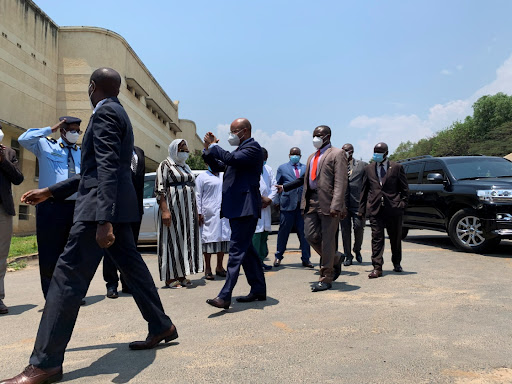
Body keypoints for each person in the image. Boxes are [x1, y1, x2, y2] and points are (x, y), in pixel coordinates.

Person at [3, 68, 176, 384]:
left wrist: (103, 219)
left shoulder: (105, 114)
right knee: (133, 269)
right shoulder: (117, 111)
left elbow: (107, 168)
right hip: (114, 208)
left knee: (66, 280)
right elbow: (96, 171)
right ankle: (161, 324)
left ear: (92, 86)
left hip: (99, 210)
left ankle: (45, 363)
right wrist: (52, 191)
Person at [202, 118, 266, 309]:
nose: (230, 135)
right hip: (238, 208)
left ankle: (225, 295)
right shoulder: (239, 151)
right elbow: (219, 166)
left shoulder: (253, 148)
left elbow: (230, 159)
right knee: (247, 252)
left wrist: (215, 147)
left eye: (233, 131)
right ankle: (258, 290)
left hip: (245, 208)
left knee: (236, 252)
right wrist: (208, 150)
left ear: (244, 131)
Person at [18, 116, 82, 300]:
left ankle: (71, 292)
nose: (75, 134)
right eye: (71, 129)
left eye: (78, 130)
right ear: (62, 130)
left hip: (75, 207)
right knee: (49, 252)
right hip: (50, 206)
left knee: (72, 253)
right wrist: (50, 129)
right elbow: (23, 139)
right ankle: (51, 296)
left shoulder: (81, 152)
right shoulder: (46, 145)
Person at [301, 125, 347, 292]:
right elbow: (306, 182)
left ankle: (326, 277)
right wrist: (303, 204)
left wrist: (337, 204)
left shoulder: (337, 153)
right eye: (314, 135)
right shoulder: (312, 157)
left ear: (328, 136)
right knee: (309, 235)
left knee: (328, 240)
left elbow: (341, 181)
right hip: (311, 201)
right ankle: (335, 258)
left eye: (319, 135)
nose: (315, 138)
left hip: (328, 203)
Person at [155, 139, 202, 289]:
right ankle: (169, 277)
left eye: (186, 150)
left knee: (185, 241)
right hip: (172, 209)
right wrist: (165, 210)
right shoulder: (165, 165)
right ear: (174, 149)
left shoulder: (186, 167)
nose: (185, 152)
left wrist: (196, 211)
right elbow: (160, 189)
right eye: (182, 149)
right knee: (170, 241)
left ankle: (182, 274)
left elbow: (193, 188)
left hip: (187, 211)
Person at [358, 142, 409, 278]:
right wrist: (361, 210)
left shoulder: (397, 167)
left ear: (386, 153)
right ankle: (377, 267)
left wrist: (402, 204)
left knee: (395, 238)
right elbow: (364, 191)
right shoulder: (368, 169)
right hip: (375, 209)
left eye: (379, 152)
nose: (376, 154)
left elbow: (404, 188)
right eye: (375, 151)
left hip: (393, 209)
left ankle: (396, 262)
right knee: (377, 238)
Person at [102, 145, 145, 298]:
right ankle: (111, 284)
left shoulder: (139, 152)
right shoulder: (114, 150)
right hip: (116, 208)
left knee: (131, 248)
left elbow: (140, 183)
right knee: (111, 248)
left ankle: (127, 283)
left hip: (134, 209)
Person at [273, 147, 312, 268]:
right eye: (293, 154)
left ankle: (306, 259)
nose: (295, 155)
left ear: (300, 156)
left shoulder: (306, 168)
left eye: (297, 154)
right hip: (287, 205)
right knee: (283, 233)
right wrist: (277, 201)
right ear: (289, 155)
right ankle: (278, 257)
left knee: (304, 234)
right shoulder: (282, 168)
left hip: (302, 206)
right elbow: (277, 186)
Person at [0, 124, 24, 315]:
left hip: (3, 211)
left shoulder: (9, 153)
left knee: (0, 256)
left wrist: (3, 161)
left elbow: (18, 178)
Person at [195, 166, 229, 280]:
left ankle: (219, 266)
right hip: (208, 212)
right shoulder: (202, 177)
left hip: (224, 211)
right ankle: (208, 268)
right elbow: (197, 195)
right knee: (208, 240)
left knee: (222, 239)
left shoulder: (224, 175)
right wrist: (199, 212)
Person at [340, 143, 367, 266]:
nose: (343, 152)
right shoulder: (338, 165)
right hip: (343, 204)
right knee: (345, 230)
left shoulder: (362, 165)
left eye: (345, 150)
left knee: (359, 228)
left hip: (358, 203)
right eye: (342, 150)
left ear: (351, 151)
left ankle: (357, 249)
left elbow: (367, 184)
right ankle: (348, 255)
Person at [252, 148, 277, 271]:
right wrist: (260, 199)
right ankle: (255, 264)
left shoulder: (268, 169)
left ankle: (261, 260)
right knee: (255, 236)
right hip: (254, 206)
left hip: (266, 206)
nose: (264, 161)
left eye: (266, 159)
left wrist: (269, 199)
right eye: (262, 159)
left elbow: (274, 186)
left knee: (264, 235)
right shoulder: (249, 168)